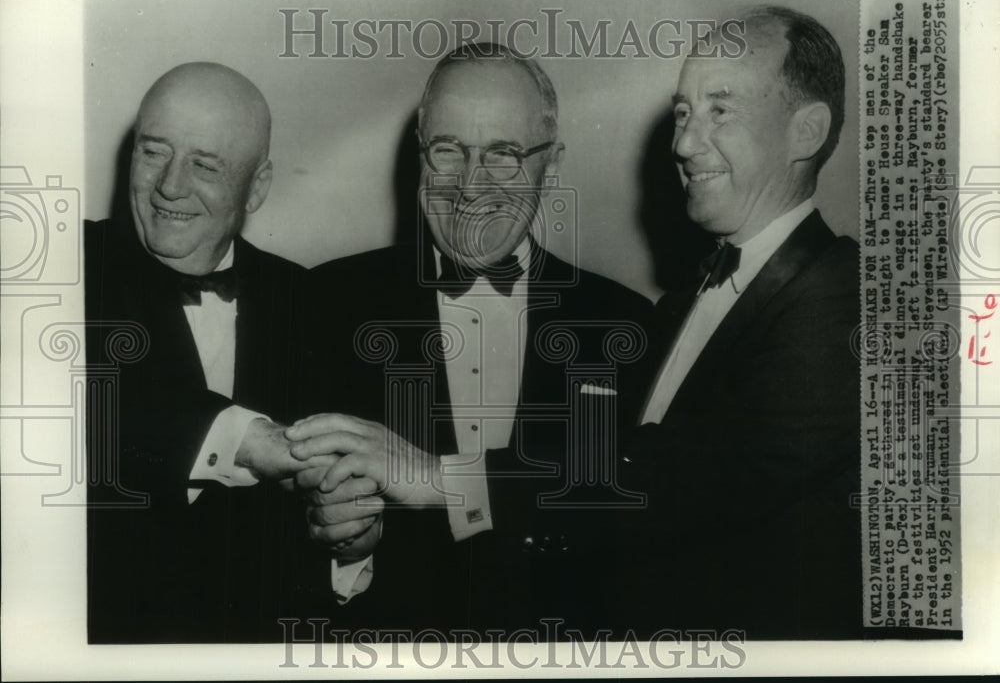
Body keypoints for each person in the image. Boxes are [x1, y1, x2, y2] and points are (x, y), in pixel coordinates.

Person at [290, 43, 652, 636]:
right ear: (420, 158)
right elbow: (261, 542)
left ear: (552, 166)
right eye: (447, 151)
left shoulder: (628, 324)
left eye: (504, 154)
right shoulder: (322, 305)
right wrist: (347, 550)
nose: (469, 186)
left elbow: (640, 535)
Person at [84, 62, 361, 642]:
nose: (170, 186)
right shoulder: (56, 270)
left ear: (257, 186)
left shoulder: (314, 301)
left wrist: (352, 543)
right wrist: (248, 441)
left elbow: (344, 512)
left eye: (205, 165)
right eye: (153, 152)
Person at [617, 6, 862, 639]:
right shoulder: (677, 304)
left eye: (720, 110)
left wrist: (451, 480)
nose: (683, 144)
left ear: (805, 133)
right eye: (682, 113)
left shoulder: (846, 295)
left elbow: (673, 480)